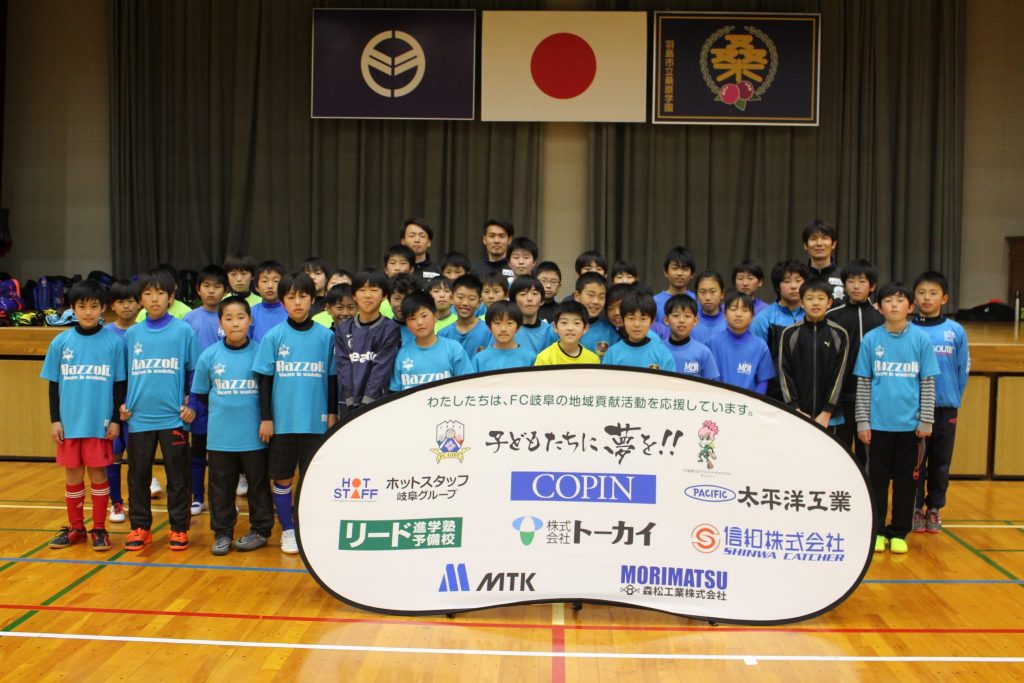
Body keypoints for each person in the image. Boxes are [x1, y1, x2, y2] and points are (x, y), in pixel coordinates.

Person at [252, 272, 338, 554]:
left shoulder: (326, 337)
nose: (297, 302)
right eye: (291, 297)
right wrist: (266, 418)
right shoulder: (273, 337)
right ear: (283, 302)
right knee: (282, 479)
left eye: (303, 296)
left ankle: (311, 530)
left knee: (314, 479)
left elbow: (332, 379)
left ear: (313, 300)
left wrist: (332, 414)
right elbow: (264, 380)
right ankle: (288, 530)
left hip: (316, 423)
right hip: (283, 424)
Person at [41, 279, 127, 551]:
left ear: (103, 308)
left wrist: (115, 420)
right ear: (72, 308)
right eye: (82, 306)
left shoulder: (114, 343)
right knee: (73, 476)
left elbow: (120, 385)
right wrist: (55, 419)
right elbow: (53, 385)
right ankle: (76, 527)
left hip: (99, 424)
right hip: (69, 425)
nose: (88, 312)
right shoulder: (61, 342)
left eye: (94, 306)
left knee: (99, 475)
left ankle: (99, 528)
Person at [855, 282, 940, 555]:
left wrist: (926, 421)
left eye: (900, 300)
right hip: (878, 426)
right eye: (888, 301)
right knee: (876, 481)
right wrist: (863, 422)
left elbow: (927, 383)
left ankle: (899, 531)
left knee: (907, 481)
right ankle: (878, 531)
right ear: (879, 307)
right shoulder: (871, 340)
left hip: (910, 428)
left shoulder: (921, 340)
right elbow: (864, 384)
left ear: (910, 307)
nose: (894, 305)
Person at [120, 268, 199, 551]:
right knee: (138, 475)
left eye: (161, 293)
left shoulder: (184, 331)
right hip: (139, 418)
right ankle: (140, 527)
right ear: (140, 299)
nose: (154, 299)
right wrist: (121, 405)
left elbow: (194, 372)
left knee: (178, 476)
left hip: (173, 418)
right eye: (148, 293)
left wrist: (192, 404)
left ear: (171, 297)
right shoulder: (132, 334)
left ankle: (178, 528)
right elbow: (123, 376)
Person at [191, 296, 274, 555]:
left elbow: (268, 392)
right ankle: (223, 533)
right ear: (220, 323)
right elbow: (201, 393)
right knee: (221, 489)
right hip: (220, 438)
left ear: (250, 321)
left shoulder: (261, 352)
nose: (235, 323)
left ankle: (261, 530)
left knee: (258, 486)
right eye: (228, 318)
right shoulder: (209, 356)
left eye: (240, 317)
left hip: (254, 437)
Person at [911, 271, 969, 534]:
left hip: (945, 408)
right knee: (915, 463)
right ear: (913, 298)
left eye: (933, 293)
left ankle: (934, 508)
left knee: (941, 462)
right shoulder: (907, 329)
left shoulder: (955, 331)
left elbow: (962, 370)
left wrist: (952, 398)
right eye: (922, 293)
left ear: (944, 298)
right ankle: (914, 508)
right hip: (913, 409)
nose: (927, 298)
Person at [827, 259, 885, 467]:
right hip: (841, 398)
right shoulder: (832, 316)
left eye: (862, 281)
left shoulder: (881, 318)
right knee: (839, 453)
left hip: (873, 398)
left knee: (868, 456)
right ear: (844, 285)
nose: (856, 286)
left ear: (872, 286)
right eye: (851, 281)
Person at [183, 265, 228, 516]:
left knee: (223, 452)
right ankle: (197, 497)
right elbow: (183, 358)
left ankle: (224, 499)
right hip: (197, 392)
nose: (211, 291)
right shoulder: (189, 319)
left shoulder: (230, 316)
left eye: (217, 286)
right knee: (198, 448)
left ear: (225, 290)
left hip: (225, 390)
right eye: (207, 286)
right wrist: (186, 392)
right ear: (198, 289)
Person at [777, 279, 850, 429]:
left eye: (821, 298)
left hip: (830, 417)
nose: (815, 303)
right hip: (797, 414)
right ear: (802, 303)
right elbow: (784, 373)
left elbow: (839, 375)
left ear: (829, 303)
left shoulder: (840, 334)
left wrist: (827, 411)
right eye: (810, 298)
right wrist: (795, 408)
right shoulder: (789, 334)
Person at [336, 270, 401, 414]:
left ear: (384, 296)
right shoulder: (343, 329)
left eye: (374, 290)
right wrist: (351, 401)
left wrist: (367, 402)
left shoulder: (390, 329)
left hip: (377, 404)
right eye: (362, 290)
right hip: (348, 403)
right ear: (354, 296)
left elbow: (381, 369)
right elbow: (343, 368)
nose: (367, 295)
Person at [103, 279, 139, 524]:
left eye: (130, 301)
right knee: (114, 455)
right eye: (120, 301)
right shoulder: (105, 333)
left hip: (138, 406)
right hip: (112, 406)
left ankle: (138, 504)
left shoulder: (144, 331)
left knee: (138, 459)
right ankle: (116, 502)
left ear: (139, 304)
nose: (126, 306)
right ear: (112, 306)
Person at [390, 291, 474, 391]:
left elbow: (468, 385)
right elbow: (395, 392)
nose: (419, 322)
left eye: (424, 316)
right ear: (406, 323)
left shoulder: (453, 349)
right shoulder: (402, 354)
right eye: (413, 318)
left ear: (435, 317)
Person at [751, 259, 809, 399]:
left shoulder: (813, 315)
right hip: (774, 392)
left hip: (808, 389)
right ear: (778, 286)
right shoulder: (764, 318)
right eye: (787, 281)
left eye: (798, 280)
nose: (793, 286)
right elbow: (756, 358)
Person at [707, 292, 775, 394]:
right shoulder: (712, 343)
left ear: (752, 317)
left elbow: (763, 381)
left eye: (745, 310)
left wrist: (753, 401)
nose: (738, 314)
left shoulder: (760, 346)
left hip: (750, 402)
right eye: (733, 309)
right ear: (725, 315)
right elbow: (708, 378)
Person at [601, 292, 676, 371]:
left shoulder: (662, 353)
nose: (637, 324)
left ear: (652, 321)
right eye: (631, 318)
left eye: (643, 319)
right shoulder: (612, 353)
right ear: (623, 320)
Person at [661, 294, 719, 380]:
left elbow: (712, 384)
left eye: (687, 316)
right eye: (676, 315)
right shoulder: (658, 349)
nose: (681, 320)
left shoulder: (703, 352)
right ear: (666, 320)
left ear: (695, 320)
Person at [472, 301, 536, 372]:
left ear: (518, 327)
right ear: (489, 327)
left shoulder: (530, 358)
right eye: (497, 323)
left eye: (509, 323)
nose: (503, 329)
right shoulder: (479, 359)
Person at [439, 274, 491, 358]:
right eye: (460, 297)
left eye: (472, 299)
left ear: (479, 302)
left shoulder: (489, 332)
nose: (465, 303)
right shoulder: (443, 334)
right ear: (451, 298)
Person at [535, 301, 600, 366]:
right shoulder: (544, 358)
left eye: (576, 323)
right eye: (564, 322)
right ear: (555, 327)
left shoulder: (593, 360)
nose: (570, 328)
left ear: (585, 328)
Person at [574, 273, 618, 359]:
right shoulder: (560, 326)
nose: (596, 301)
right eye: (591, 295)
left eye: (601, 297)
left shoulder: (609, 332)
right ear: (577, 296)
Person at [509, 275, 556, 355]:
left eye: (535, 293)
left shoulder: (550, 332)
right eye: (523, 294)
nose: (529, 298)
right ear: (514, 301)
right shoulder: (506, 330)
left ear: (542, 300)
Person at [802, 219, 845, 303]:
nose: (819, 243)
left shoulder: (844, 277)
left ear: (833, 244)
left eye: (825, 238)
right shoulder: (799, 278)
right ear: (805, 245)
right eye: (813, 238)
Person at [653, 246, 697, 322]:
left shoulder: (698, 301)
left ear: (692, 274)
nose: (679, 273)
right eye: (675, 268)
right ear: (665, 272)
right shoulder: (654, 302)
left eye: (685, 269)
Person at [249, 260, 287, 342]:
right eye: (264, 281)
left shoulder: (290, 312)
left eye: (276, 281)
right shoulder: (251, 313)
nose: (270, 286)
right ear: (256, 287)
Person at [691, 271, 727, 344]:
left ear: (722, 294)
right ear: (696, 296)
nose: (708, 297)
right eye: (702, 292)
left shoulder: (729, 323)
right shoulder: (690, 323)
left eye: (713, 291)